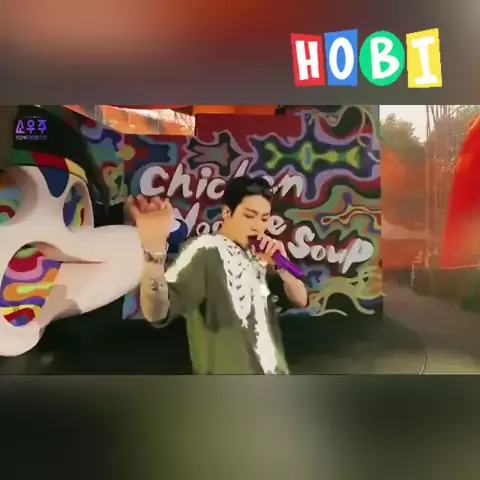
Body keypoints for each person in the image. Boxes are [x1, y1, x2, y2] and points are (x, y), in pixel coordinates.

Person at [127, 176, 309, 374]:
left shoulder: (261, 256)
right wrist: (154, 252)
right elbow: (157, 312)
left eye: (264, 219)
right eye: (249, 216)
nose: (257, 226)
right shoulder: (203, 250)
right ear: (227, 212)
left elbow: (301, 300)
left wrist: (283, 269)